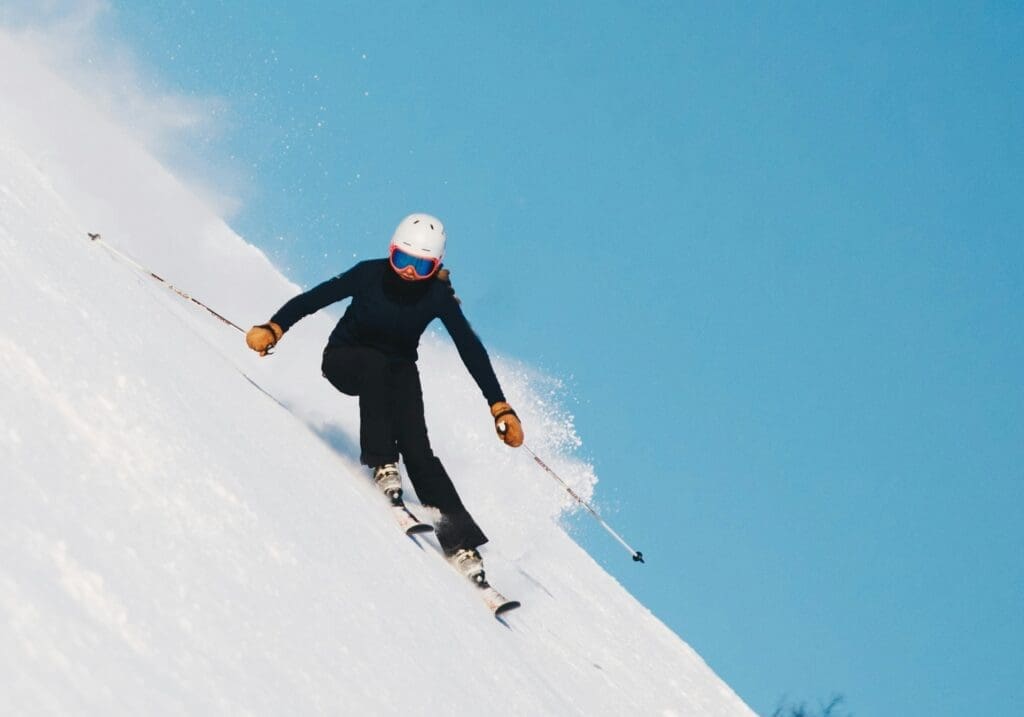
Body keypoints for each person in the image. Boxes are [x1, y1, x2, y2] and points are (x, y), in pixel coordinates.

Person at [245, 213, 523, 582]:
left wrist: (499, 404)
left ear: (436, 266)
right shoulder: (369, 274)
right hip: (345, 359)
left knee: (419, 448)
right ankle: (382, 462)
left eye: (421, 265)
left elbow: (469, 347)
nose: (409, 271)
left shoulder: (436, 296)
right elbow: (314, 299)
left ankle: (460, 542)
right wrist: (275, 326)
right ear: (391, 253)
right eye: (402, 260)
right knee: (376, 364)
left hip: (397, 370)